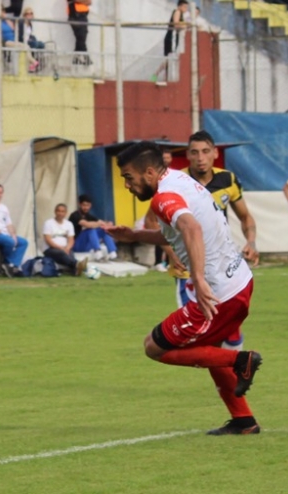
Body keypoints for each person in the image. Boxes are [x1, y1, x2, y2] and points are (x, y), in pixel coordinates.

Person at [107, 141, 263, 436]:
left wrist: (200, 279)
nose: (127, 185)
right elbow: (179, 232)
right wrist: (134, 235)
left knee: (154, 348)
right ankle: (243, 420)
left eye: (129, 177)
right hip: (239, 282)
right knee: (206, 349)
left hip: (218, 294)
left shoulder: (163, 197)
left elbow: (191, 227)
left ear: (150, 172)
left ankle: (241, 360)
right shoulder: (179, 179)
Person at [185, 130, 259, 270]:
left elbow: (245, 217)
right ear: (188, 155)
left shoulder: (228, 180)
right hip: (187, 262)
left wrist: (251, 242)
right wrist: (171, 251)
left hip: (221, 259)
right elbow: (153, 221)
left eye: (206, 151)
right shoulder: (177, 182)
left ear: (215, 153)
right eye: (195, 152)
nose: (200, 158)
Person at [69, 194, 118, 261]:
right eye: (84, 205)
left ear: (90, 205)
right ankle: (98, 253)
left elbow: (101, 222)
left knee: (104, 230)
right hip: (76, 245)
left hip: (87, 245)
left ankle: (113, 253)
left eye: (88, 205)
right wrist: (100, 223)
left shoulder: (89, 216)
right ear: (79, 204)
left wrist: (108, 224)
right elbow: (87, 224)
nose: (86, 207)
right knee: (90, 230)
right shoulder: (75, 215)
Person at [43, 203, 88, 275]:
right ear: (55, 212)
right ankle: (78, 265)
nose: (60, 213)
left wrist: (67, 248)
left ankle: (75, 270)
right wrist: (61, 248)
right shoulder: (48, 223)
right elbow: (48, 240)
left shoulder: (69, 224)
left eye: (62, 211)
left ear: (66, 213)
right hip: (50, 249)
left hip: (65, 248)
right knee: (61, 253)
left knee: (70, 254)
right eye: (58, 211)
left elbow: (71, 239)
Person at [68, 0, 91, 65]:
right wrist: (84, 1)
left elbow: (89, 2)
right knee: (81, 36)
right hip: (75, 16)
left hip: (83, 16)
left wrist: (81, 1)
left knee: (82, 37)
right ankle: (86, 58)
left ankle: (76, 58)